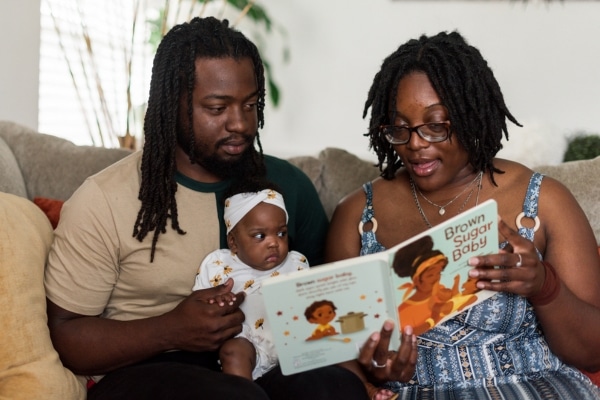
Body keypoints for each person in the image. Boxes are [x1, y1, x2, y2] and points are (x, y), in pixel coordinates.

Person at [44, 16, 369, 400]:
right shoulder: (104, 199)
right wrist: (170, 329)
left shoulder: (287, 189)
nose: (240, 124)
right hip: (147, 370)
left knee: (334, 388)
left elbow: (326, 305)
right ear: (172, 104)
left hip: (262, 359)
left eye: (251, 105)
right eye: (218, 107)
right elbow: (66, 333)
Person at [326, 31, 600, 399]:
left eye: (436, 125)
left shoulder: (545, 201)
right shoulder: (357, 215)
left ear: (472, 117)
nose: (416, 143)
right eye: (399, 128)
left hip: (533, 387)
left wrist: (544, 286)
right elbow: (332, 348)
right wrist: (372, 372)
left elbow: (591, 352)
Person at [193, 179, 309, 381]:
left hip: (290, 342)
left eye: (281, 233)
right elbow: (199, 307)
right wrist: (218, 302)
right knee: (233, 351)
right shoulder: (218, 264)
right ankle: (244, 392)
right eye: (260, 236)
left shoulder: (297, 262)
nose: (274, 242)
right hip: (247, 344)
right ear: (233, 242)